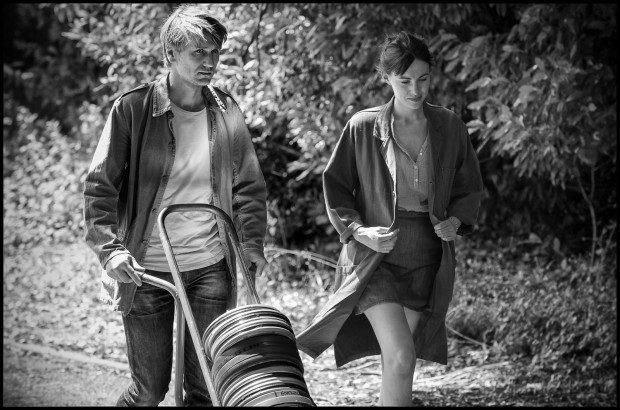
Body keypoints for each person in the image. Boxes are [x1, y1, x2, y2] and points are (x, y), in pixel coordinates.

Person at [83, 4, 267, 406]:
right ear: (170, 54)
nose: (210, 62)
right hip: (146, 271)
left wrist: (252, 245)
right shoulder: (133, 109)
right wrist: (109, 252)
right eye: (198, 53)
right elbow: (99, 188)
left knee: (205, 389)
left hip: (210, 267)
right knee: (149, 391)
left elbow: (249, 186)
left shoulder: (225, 110)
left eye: (215, 53)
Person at [296, 31, 483, 406]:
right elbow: (336, 188)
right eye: (405, 80)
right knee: (401, 356)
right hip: (374, 257)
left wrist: (456, 221)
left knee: (399, 364)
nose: (416, 90)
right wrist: (359, 231)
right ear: (387, 79)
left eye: (424, 79)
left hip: (426, 255)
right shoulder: (363, 127)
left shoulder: (450, 126)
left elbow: (470, 189)